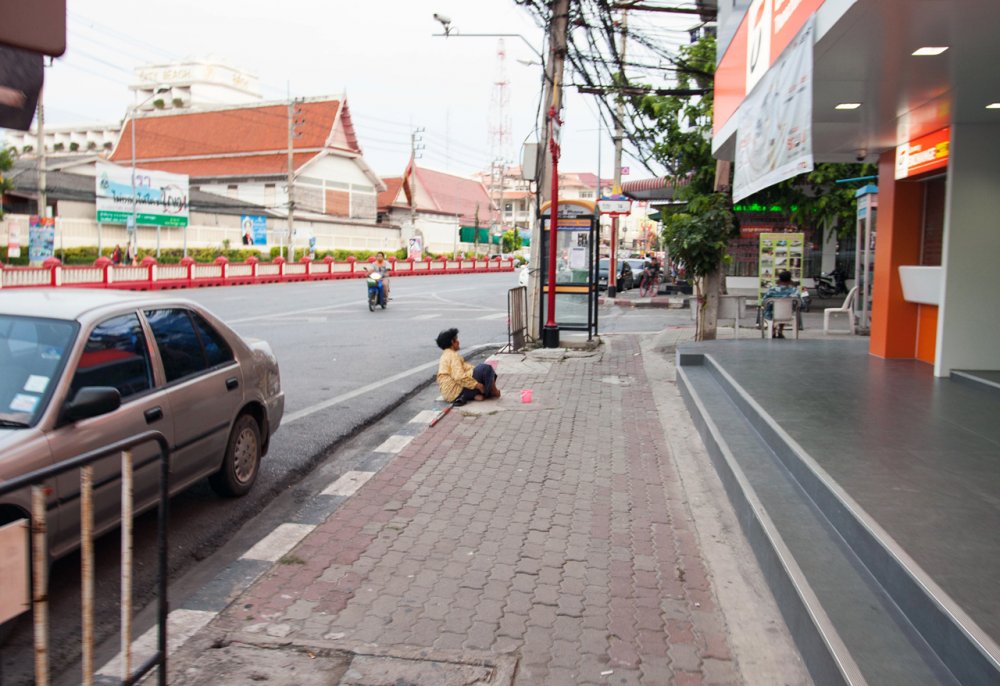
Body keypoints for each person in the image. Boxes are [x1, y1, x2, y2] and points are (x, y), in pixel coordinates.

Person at [435, 328, 500, 404]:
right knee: (486, 369)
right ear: (452, 342)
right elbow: (459, 377)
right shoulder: (453, 356)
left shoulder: (445, 355)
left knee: (481, 371)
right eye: (457, 339)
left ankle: (474, 395)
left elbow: (467, 368)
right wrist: (478, 385)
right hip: (456, 391)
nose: (459, 342)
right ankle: (493, 392)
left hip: (448, 394)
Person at [762, 269, 801, 338]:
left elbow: (764, 301)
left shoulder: (772, 290)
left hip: (772, 314)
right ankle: (780, 330)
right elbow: (801, 303)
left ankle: (773, 330)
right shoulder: (794, 291)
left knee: (771, 309)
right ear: (790, 280)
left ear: (779, 280)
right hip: (787, 314)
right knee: (785, 309)